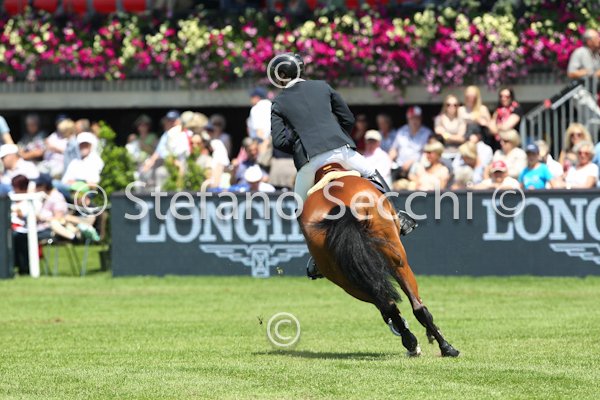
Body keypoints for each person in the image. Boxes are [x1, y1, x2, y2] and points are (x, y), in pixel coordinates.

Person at [269, 53, 417, 239]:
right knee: (371, 172)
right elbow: (348, 118)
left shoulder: (278, 102)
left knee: (301, 209)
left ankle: (315, 250)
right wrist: (338, 136)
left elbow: (279, 142)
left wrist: (299, 145)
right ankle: (397, 217)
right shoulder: (322, 86)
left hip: (310, 161)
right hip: (341, 151)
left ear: (281, 76)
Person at [389, 106, 432, 181]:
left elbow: (427, 153)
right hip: (399, 167)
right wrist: (388, 161)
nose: (414, 121)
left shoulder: (427, 133)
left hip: (417, 166)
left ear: (421, 119)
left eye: (417, 118)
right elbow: (394, 150)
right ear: (408, 119)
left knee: (418, 168)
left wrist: (411, 161)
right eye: (412, 118)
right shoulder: (401, 131)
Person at [59, 132, 104, 198]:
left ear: (91, 146)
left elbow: (93, 183)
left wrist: (78, 182)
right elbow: (64, 181)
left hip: (87, 191)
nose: (83, 147)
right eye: (82, 145)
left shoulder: (97, 161)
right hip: (71, 189)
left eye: (86, 145)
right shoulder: (74, 162)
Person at [247, 87, 272, 159]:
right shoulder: (272, 105)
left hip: (263, 147)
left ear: (256, 97)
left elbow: (260, 133)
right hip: (274, 146)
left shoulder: (256, 108)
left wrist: (261, 157)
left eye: (252, 97)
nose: (250, 99)